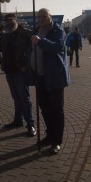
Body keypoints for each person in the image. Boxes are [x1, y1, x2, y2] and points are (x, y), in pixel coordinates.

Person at [31, 8, 70, 155]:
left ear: (50, 17)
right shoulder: (35, 30)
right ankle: (50, 135)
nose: (41, 19)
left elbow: (58, 47)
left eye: (44, 16)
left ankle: (57, 141)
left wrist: (41, 42)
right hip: (39, 76)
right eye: (39, 16)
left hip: (54, 76)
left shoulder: (57, 31)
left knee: (56, 110)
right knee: (45, 108)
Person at [0, 13, 36, 137]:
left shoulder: (26, 33)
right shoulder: (4, 35)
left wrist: (27, 64)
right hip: (9, 70)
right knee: (16, 97)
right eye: (6, 21)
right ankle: (18, 120)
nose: (8, 23)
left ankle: (30, 124)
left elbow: (31, 51)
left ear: (16, 20)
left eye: (10, 20)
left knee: (24, 98)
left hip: (21, 70)